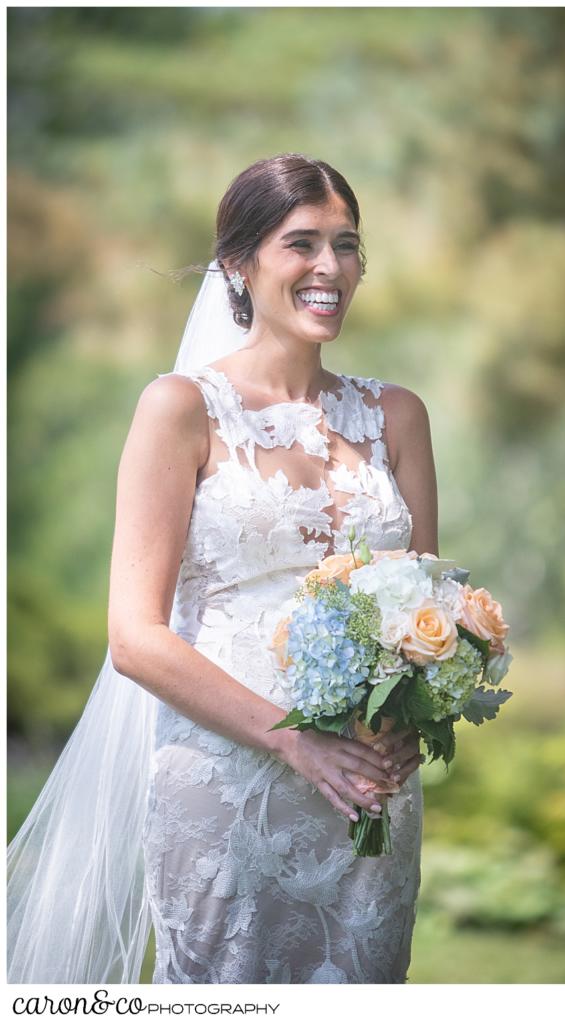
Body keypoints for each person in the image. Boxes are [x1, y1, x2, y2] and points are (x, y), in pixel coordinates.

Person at [7, 153, 439, 985]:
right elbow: (135, 638)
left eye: (346, 244)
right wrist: (296, 744)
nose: (330, 268)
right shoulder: (181, 408)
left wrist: (412, 722)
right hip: (227, 779)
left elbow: (424, 605)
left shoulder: (398, 416)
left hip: (368, 786)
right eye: (301, 243)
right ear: (238, 264)